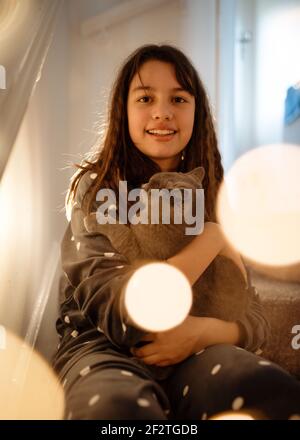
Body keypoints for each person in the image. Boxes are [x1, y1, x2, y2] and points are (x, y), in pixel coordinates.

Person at [52, 44, 300, 420]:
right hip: (102, 350)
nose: (163, 112)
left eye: (179, 98)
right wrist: (214, 238)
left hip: (198, 349)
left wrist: (202, 333)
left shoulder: (214, 195)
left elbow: (254, 319)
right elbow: (128, 319)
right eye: (146, 97)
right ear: (124, 109)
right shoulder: (97, 190)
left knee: (267, 389)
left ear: (196, 111)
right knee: (115, 410)